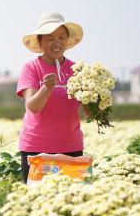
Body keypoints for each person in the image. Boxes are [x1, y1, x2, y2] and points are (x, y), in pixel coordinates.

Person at [17, 12, 88, 183]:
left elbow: (89, 112)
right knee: (37, 201)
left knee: (73, 200)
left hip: (71, 147)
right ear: (40, 42)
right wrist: (46, 89)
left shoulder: (77, 70)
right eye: (50, 38)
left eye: (61, 37)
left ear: (67, 41)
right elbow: (33, 107)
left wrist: (98, 96)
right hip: (36, 148)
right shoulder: (31, 68)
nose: (57, 43)